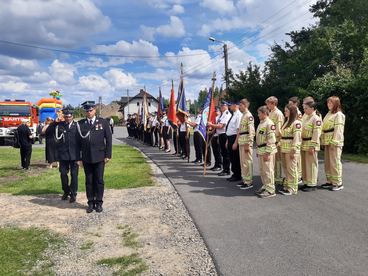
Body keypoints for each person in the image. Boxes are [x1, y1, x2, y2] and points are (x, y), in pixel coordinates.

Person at [77, 101, 112, 213]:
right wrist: (79, 158)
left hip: (99, 156)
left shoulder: (103, 122)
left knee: (99, 180)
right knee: (89, 181)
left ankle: (99, 202)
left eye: (90, 110)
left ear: (95, 110)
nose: (89, 112)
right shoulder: (81, 124)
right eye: (87, 110)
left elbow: (109, 139)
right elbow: (77, 143)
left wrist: (108, 155)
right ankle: (90, 203)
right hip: (86, 157)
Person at [55, 109, 81, 203]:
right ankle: (66, 191)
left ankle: (73, 194)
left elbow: (81, 141)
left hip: (75, 155)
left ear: (72, 117)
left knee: (74, 175)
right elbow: (55, 137)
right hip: (63, 155)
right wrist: (55, 121)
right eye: (66, 117)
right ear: (64, 117)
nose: (68, 118)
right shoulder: (60, 125)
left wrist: (80, 156)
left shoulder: (77, 125)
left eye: (69, 116)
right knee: (63, 174)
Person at [320, 96, 345, 191]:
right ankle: (330, 181)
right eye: (328, 103)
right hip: (327, 142)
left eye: (331, 103)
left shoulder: (339, 115)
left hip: (334, 143)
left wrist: (334, 141)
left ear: (336, 104)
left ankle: (338, 183)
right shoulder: (329, 114)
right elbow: (323, 127)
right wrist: (322, 140)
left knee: (335, 162)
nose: (328, 104)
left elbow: (338, 129)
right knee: (328, 162)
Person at [279, 104, 302, 195]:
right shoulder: (287, 122)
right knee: (286, 168)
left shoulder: (296, 123)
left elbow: (297, 138)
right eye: (285, 111)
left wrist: (294, 150)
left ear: (291, 112)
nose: (285, 112)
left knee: (291, 168)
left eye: (286, 111)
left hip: (291, 150)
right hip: (284, 149)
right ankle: (287, 186)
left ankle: (292, 188)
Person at [255, 106, 277, 198]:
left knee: (268, 171)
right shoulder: (261, 123)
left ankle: (270, 190)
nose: (258, 115)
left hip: (267, 151)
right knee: (262, 170)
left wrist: (268, 152)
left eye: (259, 113)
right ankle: (265, 186)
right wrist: (257, 150)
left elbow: (271, 139)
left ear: (264, 113)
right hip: (261, 150)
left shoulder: (269, 123)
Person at [300, 99, 322, 192]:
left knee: (311, 164)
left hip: (311, 144)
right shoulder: (306, 117)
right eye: (304, 108)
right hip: (304, 143)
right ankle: (306, 182)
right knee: (305, 165)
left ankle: (312, 184)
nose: (304, 110)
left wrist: (312, 146)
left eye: (306, 108)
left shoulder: (316, 118)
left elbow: (316, 133)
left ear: (312, 108)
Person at [233, 99, 255, 189]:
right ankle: (245, 179)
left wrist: (249, 143)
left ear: (245, 105)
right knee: (243, 162)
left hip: (246, 142)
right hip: (242, 142)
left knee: (247, 162)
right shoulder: (243, 115)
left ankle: (249, 182)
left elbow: (251, 131)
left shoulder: (249, 116)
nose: (239, 107)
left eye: (241, 105)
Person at [208, 102, 232, 176]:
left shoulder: (227, 114)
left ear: (226, 106)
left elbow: (221, 126)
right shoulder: (223, 114)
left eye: (222, 105)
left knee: (225, 153)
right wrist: (212, 131)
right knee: (222, 152)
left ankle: (226, 169)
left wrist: (211, 125)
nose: (221, 107)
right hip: (220, 134)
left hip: (224, 134)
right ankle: (221, 167)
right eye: (221, 105)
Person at [266, 96, 284, 185]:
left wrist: (277, 140)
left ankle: (278, 177)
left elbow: (279, 129)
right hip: (271, 139)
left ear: (273, 103)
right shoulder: (270, 112)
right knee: (273, 160)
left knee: (277, 160)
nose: (267, 105)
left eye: (268, 103)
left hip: (276, 140)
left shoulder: (278, 113)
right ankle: (274, 176)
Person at [225, 102, 243, 182]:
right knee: (232, 157)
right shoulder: (234, 114)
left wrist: (236, 142)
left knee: (235, 158)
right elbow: (229, 128)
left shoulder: (239, 115)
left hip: (234, 138)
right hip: (230, 138)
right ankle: (234, 173)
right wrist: (227, 141)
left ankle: (237, 175)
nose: (229, 106)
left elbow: (238, 130)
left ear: (235, 105)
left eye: (231, 105)